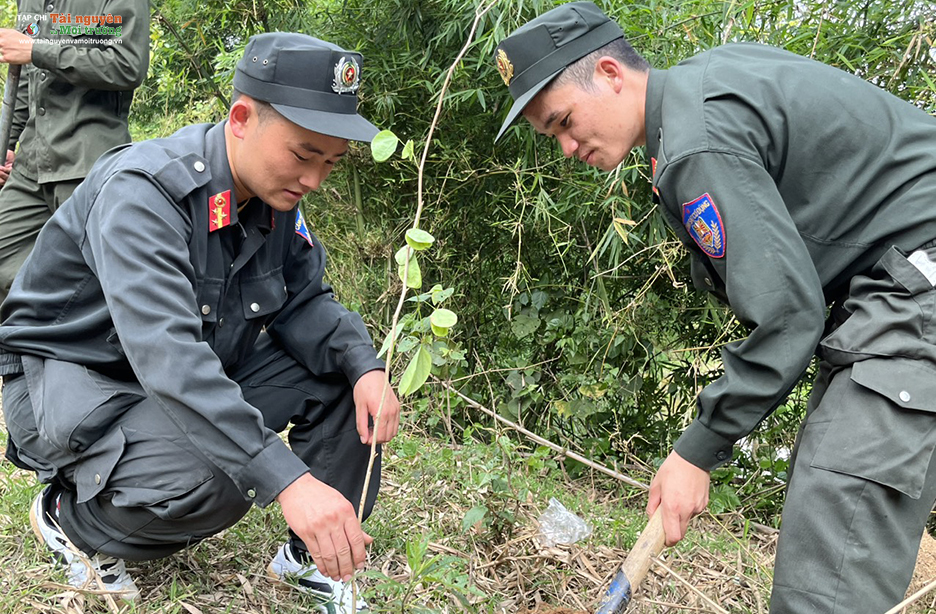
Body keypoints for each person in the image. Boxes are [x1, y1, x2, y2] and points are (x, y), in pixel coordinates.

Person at [493, 2, 936, 612]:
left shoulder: (695, 143)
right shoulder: (704, 90)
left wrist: (696, 450)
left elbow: (787, 314)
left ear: (611, 74)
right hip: (894, 293)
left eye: (565, 121)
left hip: (915, 292)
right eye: (553, 137)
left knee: (828, 576)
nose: (567, 147)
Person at [0, 32, 401, 612]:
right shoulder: (144, 193)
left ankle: (309, 562)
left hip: (160, 386)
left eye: (330, 163)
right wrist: (286, 479)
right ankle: (71, 518)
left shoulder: (273, 196)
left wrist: (366, 366)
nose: (314, 179)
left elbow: (306, 300)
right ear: (241, 118)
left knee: (340, 370)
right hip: (73, 387)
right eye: (303, 154)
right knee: (221, 471)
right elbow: (171, 358)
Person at [0, 0, 150, 302]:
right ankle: (37, 337)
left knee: (97, 279)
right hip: (31, 164)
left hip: (88, 165)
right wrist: (6, 144)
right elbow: (26, 80)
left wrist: (36, 50)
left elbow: (127, 65)